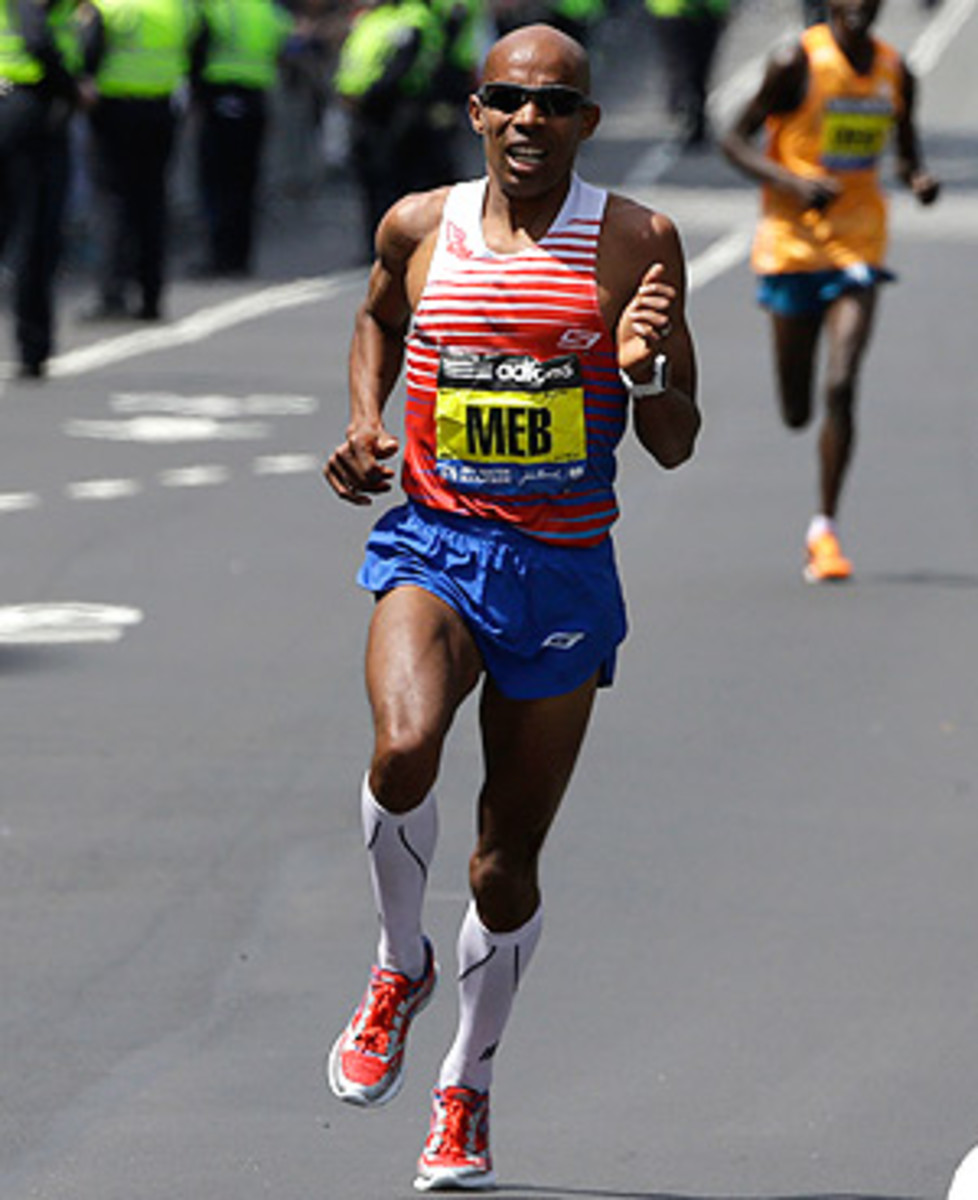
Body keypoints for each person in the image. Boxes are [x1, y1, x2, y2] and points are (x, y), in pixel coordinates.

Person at [323, 22, 700, 1191]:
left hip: (562, 570)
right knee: (403, 748)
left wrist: (644, 373)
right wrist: (365, 422)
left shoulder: (635, 241)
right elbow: (379, 318)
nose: (530, 121)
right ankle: (399, 963)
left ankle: (467, 1085)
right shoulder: (417, 226)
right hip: (437, 544)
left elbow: (676, 441)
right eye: (509, 100)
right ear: (478, 112)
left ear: (587, 122)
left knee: (503, 865)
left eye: (556, 105)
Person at [721, 0, 939, 583]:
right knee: (798, 409)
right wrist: (791, 181)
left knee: (841, 383)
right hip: (792, 247)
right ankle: (807, 438)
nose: (860, 5)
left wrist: (919, 179)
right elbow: (733, 139)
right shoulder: (795, 61)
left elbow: (907, 155)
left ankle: (825, 529)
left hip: (859, 245)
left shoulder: (896, 71)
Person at [77, 0, 197, 320]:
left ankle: (112, 293)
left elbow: (87, 56)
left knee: (111, 202)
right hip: (161, 109)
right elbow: (196, 48)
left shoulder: (109, 6)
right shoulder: (177, 8)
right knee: (152, 203)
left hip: (114, 109)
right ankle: (151, 295)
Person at [0, 0, 81, 378]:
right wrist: (71, 89)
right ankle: (32, 346)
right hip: (25, 104)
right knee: (34, 235)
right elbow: (36, 37)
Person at [332, 0, 447, 261]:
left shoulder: (414, 17)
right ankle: (376, 245)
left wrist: (368, 96)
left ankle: (400, 247)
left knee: (397, 181)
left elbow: (400, 67)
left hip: (396, 109)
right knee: (371, 180)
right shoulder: (371, 19)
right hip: (364, 112)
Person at [189, 0, 293, 278]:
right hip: (256, 98)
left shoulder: (217, 9)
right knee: (245, 182)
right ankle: (240, 257)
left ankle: (219, 255)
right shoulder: (268, 10)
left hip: (220, 94)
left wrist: (196, 92)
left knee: (217, 182)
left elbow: (197, 49)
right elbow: (286, 46)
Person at [644, 0, 730, 147]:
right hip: (692, 12)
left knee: (687, 67)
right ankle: (691, 113)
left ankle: (688, 112)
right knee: (692, 68)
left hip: (677, 11)